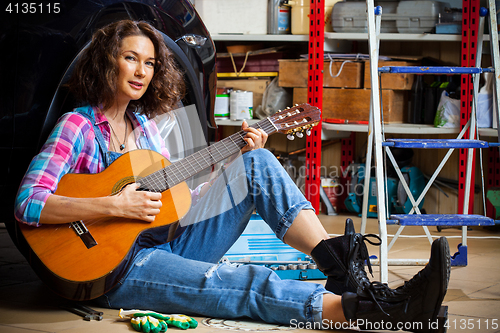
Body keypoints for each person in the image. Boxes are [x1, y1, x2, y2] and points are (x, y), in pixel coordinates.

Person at [15, 20, 450, 331]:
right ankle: (380, 310)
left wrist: (233, 158)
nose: (142, 71)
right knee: (241, 283)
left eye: (149, 62)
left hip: (168, 239)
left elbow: (179, 199)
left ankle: (343, 266)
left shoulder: (146, 130)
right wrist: (114, 203)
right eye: (130, 58)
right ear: (107, 64)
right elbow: (28, 203)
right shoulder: (77, 126)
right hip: (116, 268)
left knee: (255, 164)